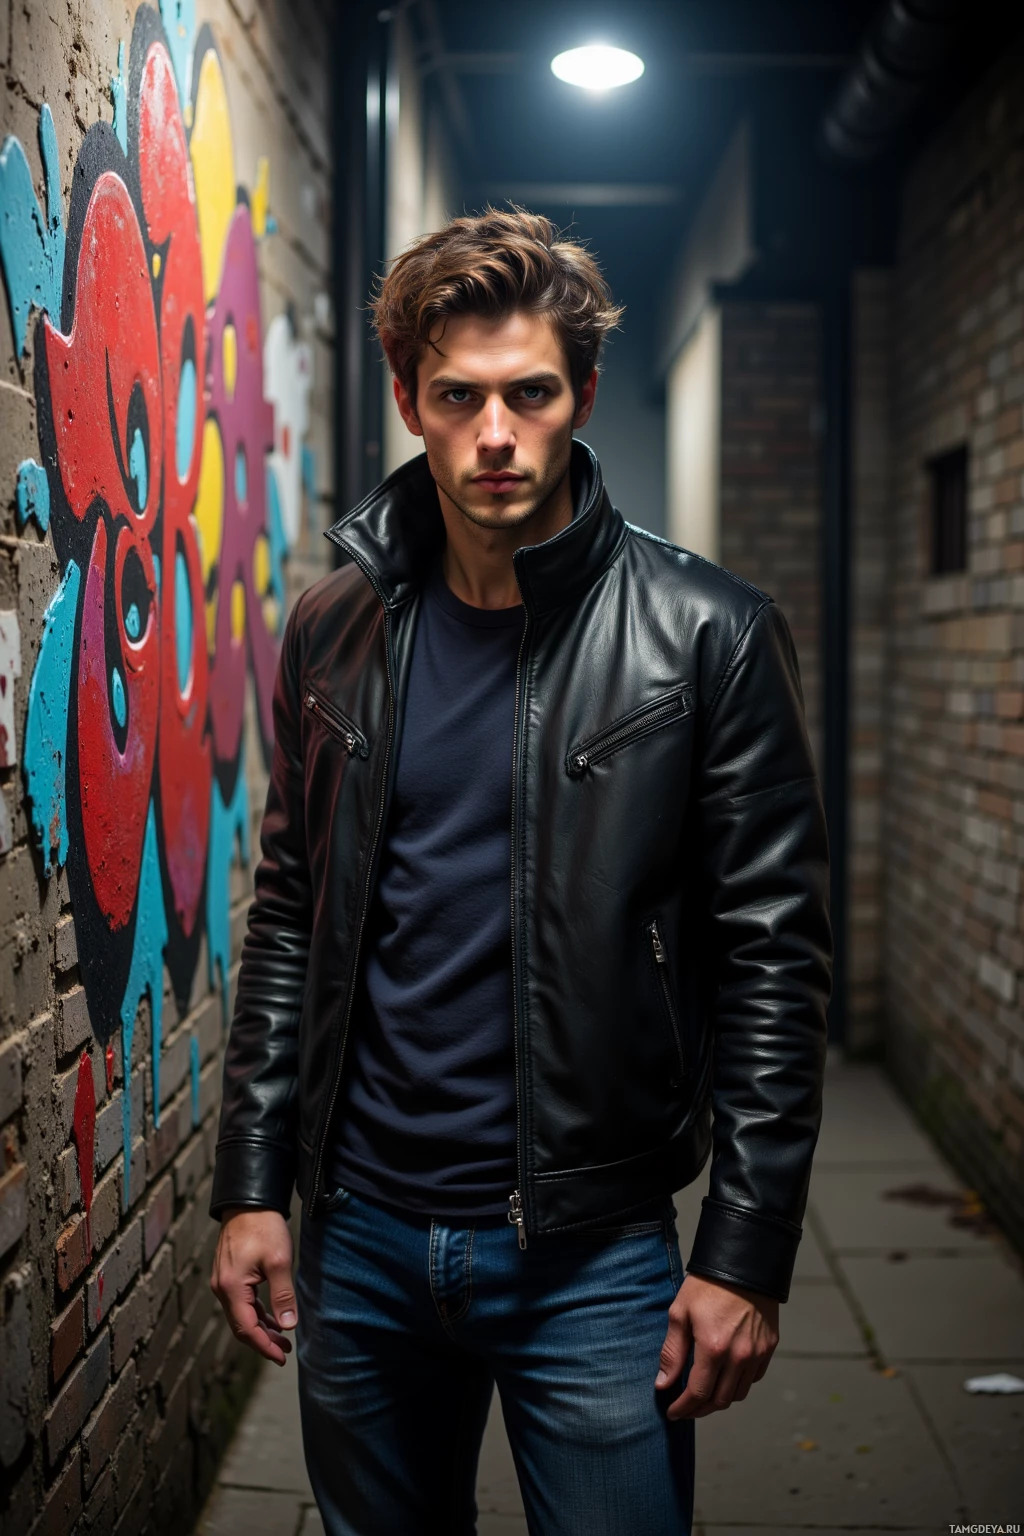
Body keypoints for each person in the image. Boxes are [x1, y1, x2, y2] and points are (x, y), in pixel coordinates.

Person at [209, 207, 832, 1536]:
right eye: (460, 398)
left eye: (531, 394)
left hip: (591, 1256)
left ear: (583, 396)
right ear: (410, 402)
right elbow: (290, 913)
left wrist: (747, 1249)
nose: (496, 434)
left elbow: (776, 962)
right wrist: (253, 1183)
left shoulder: (708, 637)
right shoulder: (332, 629)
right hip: (361, 1234)